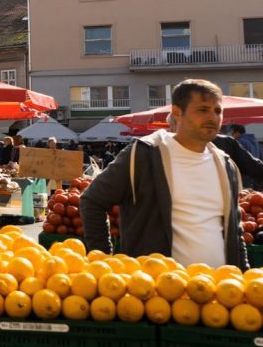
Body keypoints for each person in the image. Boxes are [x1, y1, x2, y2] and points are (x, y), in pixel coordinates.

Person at [80, 79, 248, 269]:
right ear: (177, 112)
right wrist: (102, 261)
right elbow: (92, 201)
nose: (212, 117)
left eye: (217, 111)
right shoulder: (145, 154)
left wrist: (243, 271)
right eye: (203, 109)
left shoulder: (225, 164)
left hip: (220, 289)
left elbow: (235, 229)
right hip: (157, 291)